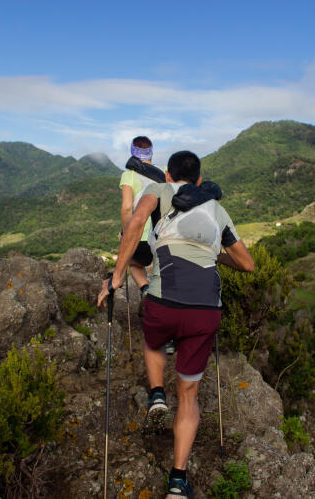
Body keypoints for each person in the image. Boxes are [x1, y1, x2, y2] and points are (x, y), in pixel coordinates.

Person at [98, 151, 254, 498]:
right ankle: (178, 481)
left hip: (164, 302)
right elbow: (247, 264)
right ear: (200, 179)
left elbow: (136, 221)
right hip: (205, 310)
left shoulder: (158, 190)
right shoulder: (217, 208)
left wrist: (117, 276)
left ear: (168, 175)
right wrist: (215, 254)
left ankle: (156, 396)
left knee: (153, 340)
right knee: (190, 394)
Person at [119, 136, 164, 313]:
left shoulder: (129, 175)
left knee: (134, 263)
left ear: (132, 152)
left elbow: (127, 207)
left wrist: (125, 233)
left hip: (140, 236)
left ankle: (146, 289)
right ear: (151, 152)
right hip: (163, 235)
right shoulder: (163, 172)